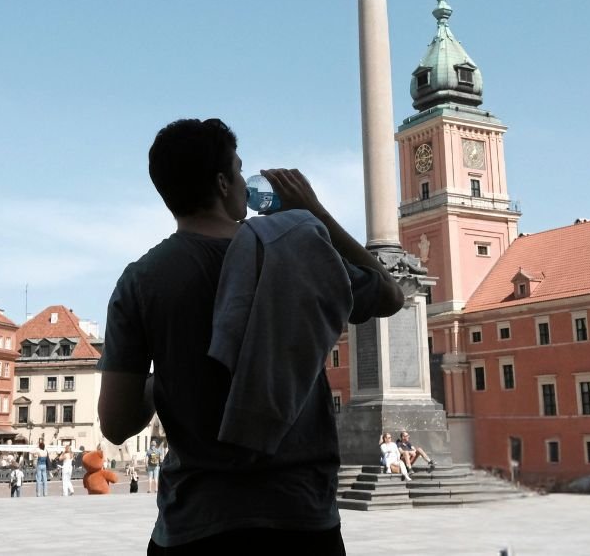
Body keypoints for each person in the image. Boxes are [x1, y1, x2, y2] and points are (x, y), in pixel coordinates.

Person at [97, 119, 404, 553]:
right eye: (239, 172)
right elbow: (390, 294)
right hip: (300, 517)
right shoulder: (298, 252)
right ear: (223, 183)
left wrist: (161, 380)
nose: (245, 183)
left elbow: (116, 423)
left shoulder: (140, 281)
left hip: (195, 524)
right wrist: (315, 212)